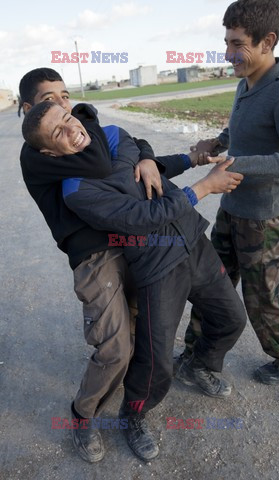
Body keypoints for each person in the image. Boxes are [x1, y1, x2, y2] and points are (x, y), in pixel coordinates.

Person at [19, 68, 233, 463]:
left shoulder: (73, 128)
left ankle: (139, 389)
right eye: (52, 101)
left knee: (143, 329)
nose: (65, 107)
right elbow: (109, 161)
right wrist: (142, 155)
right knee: (116, 346)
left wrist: (150, 155)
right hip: (95, 255)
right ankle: (83, 416)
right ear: (30, 109)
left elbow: (126, 146)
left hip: (131, 243)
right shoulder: (39, 158)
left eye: (66, 98)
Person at [175, 0, 279, 386]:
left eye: (236, 44)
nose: (228, 54)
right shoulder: (247, 82)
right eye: (226, 42)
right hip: (231, 211)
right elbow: (239, 130)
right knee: (212, 288)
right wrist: (218, 142)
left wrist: (238, 165)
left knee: (262, 302)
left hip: (263, 222)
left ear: (267, 41)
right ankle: (195, 355)